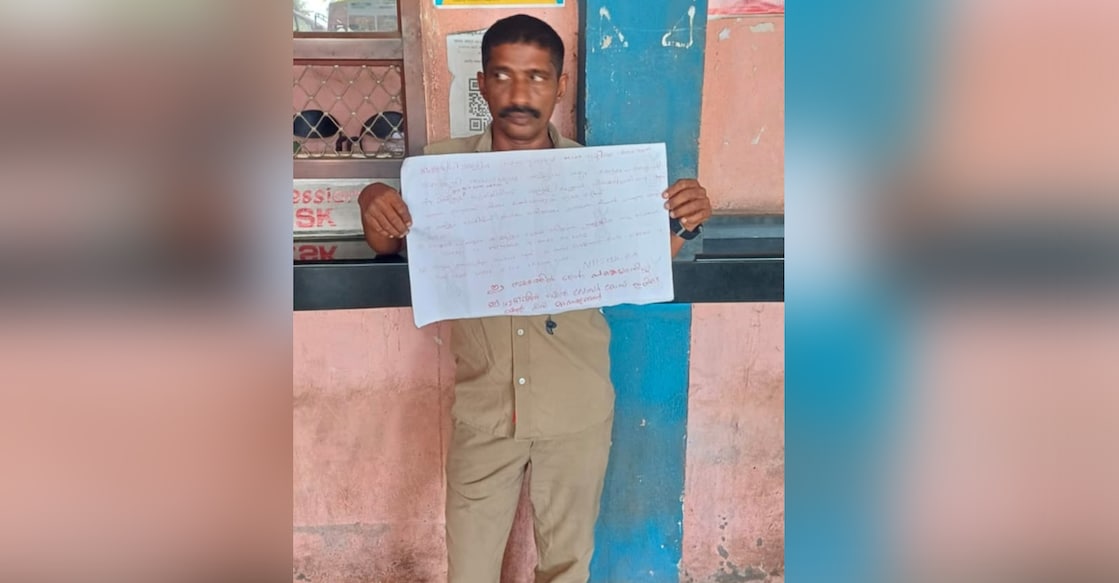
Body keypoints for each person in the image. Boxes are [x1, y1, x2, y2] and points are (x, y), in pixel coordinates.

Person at [356, 14, 712, 583]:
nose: (519, 95)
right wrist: (373, 196)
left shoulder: (598, 180)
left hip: (576, 410)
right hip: (484, 412)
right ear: (481, 84)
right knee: (468, 568)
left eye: (537, 77)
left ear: (560, 86)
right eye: (502, 76)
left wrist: (689, 220)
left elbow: (637, 262)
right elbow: (388, 238)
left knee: (568, 566)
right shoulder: (440, 174)